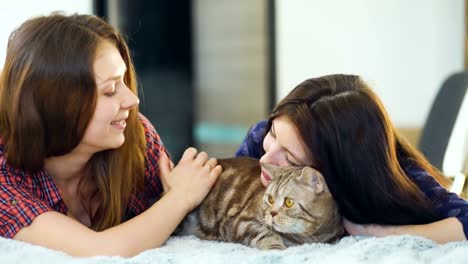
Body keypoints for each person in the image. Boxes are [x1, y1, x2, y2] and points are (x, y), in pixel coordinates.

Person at [0, 13, 222, 257]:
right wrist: (180, 198)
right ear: (57, 105)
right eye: (109, 91)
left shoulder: (137, 135)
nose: (132, 99)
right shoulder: (4, 176)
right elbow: (100, 252)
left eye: (124, 82)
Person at [236, 74, 468, 243]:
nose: (265, 159)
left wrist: (375, 232)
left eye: (292, 159)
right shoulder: (260, 137)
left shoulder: (396, 178)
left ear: (337, 170)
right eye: (273, 134)